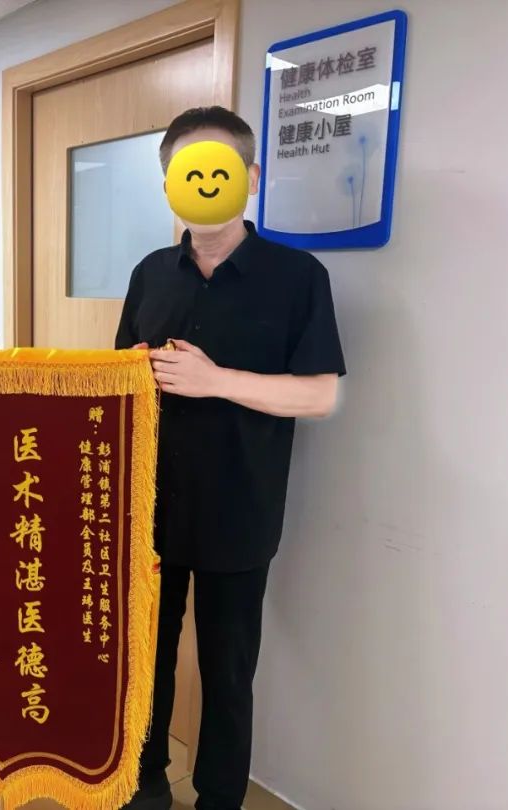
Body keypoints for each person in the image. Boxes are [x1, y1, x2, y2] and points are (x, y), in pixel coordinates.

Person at [116, 107, 346, 810]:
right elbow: (120, 377)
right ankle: (144, 784)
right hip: (149, 507)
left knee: (227, 671)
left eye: (218, 168)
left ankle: (219, 798)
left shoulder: (296, 276)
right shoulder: (150, 272)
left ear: (250, 176)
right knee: (142, 660)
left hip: (240, 509)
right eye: (186, 172)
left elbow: (320, 395)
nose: (203, 183)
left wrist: (215, 380)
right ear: (169, 185)